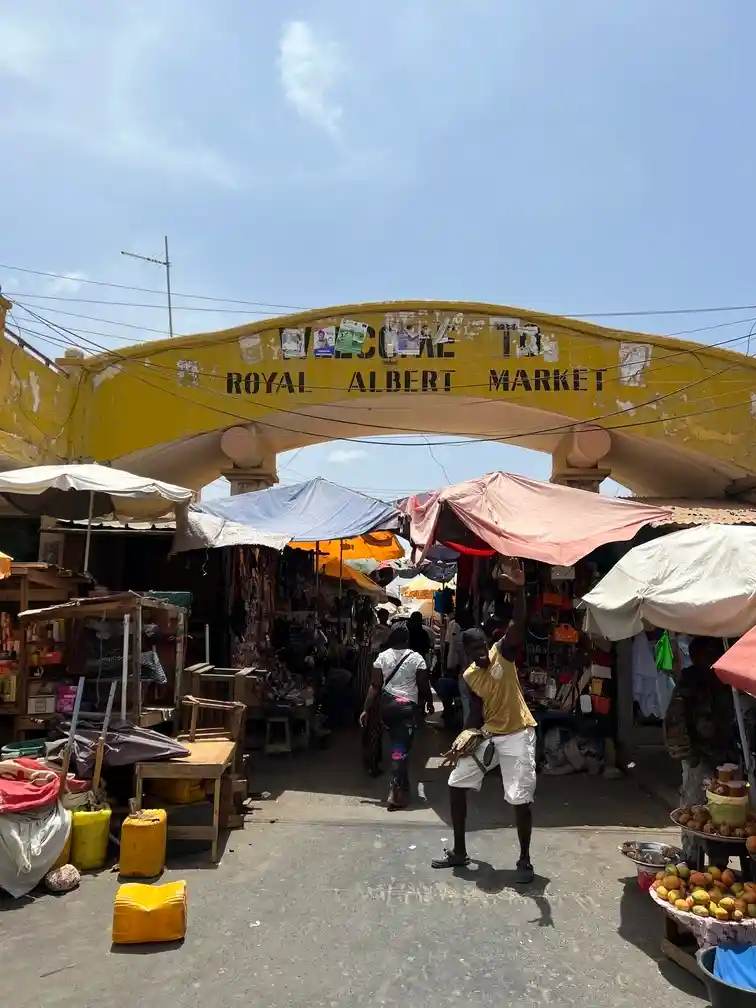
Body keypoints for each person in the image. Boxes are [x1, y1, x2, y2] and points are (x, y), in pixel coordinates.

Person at [431, 589, 537, 882]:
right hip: (490, 733)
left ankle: (525, 860)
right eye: (474, 649)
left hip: (519, 732)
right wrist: (460, 744)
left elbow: (519, 622)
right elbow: (473, 716)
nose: (480, 652)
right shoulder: (468, 677)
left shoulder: (502, 653)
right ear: (466, 652)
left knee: (519, 797)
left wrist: (520, 588)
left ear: (488, 644)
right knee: (455, 783)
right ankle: (459, 852)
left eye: (482, 646)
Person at [665, 635, 735, 861]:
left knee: (724, 813)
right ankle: (691, 859)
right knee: (694, 811)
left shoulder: (726, 680)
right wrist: (689, 756)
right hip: (699, 755)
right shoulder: (691, 680)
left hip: (726, 756)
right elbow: (675, 721)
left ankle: (718, 862)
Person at [359, 621, 434, 810]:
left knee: (398, 746)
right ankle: (394, 791)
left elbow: (374, 686)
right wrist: (429, 702)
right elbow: (424, 685)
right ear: (407, 639)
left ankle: (404, 781)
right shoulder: (416, 658)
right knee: (399, 751)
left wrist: (366, 709)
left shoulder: (382, 657)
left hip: (388, 708)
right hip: (406, 709)